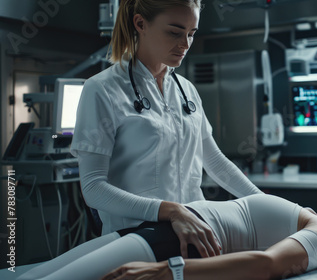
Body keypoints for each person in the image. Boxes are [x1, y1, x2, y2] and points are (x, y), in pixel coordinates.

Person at [69, 0, 263, 259]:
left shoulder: (186, 89)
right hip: (135, 238)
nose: (185, 44)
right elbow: (93, 188)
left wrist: (270, 205)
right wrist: (170, 211)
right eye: (174, 32)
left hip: (196, 232)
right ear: (140, 24)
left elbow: (215, 161)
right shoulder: (102, 89)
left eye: (191, 34)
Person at [17, 187, 317, 280]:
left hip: (167, 244)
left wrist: (169, 272)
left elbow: (267, 264)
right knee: (28, 274)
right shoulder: (314, 217)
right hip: (159, 229)